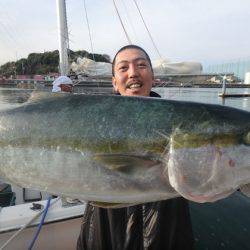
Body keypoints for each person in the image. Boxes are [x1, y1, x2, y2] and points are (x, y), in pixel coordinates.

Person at [77, 45, 194, 250]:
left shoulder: (180, 124)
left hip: (165, 229)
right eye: (123, 68)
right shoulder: (93, 123)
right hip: (106, 227)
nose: (133, 73)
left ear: (153, 77)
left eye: (141, 65)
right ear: (114, 82)